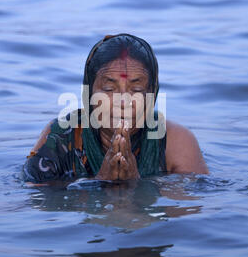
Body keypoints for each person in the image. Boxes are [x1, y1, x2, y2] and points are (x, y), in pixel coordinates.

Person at [23, 33, 208, 185]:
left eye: (136, 90)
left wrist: (134, 184)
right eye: (109, 89)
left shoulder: (175, 141)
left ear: (152, 95)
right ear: (89, 94)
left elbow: (189, 210)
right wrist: (102, 182)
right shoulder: (61, 136)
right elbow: (36, 200)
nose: (122, 101)